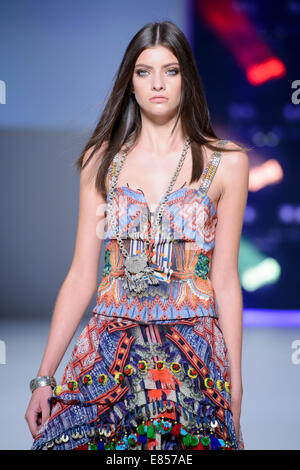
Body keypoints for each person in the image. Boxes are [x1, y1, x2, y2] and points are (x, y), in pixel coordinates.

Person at [25, 20, 249, 451]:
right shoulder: (101, 160)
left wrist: (235, 384)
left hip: (192, 349)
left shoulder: (228, 163)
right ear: (130, 82)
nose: (158, 83)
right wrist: (43, 378)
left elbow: (225, 279)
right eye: (144, 71)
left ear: (187, 79)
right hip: (109, 347)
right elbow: (80, 275)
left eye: (171, 70)